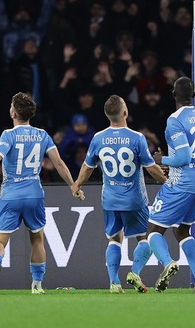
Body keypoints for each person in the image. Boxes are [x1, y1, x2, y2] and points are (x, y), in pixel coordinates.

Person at [0, 93, 80, 294]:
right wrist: (72, 185)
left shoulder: (8, 135)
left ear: (13, 112)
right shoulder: (43, 135)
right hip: (34, 194)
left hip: (11, 195)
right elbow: (59, 163)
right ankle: (37, 284)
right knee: (37, 239)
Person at [70, 95, 167, 293]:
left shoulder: (98, 138)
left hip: (110, 200)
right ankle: (135, 272)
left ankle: (114, 282)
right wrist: (167, 181)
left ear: (107, 115)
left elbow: (88, 167)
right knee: (146, 238)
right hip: (135, 200)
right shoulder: (137, 138)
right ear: (125, 112)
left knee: (114, 240)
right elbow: (151, 168)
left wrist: (77, 184)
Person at [140, 77, 195, 293]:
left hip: (181, 184)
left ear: (173, 94)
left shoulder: (174, 120)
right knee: (182, 231)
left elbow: (183, 157)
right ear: (193, 95)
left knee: (153, 230)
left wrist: (161, 160)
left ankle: (168, 263)